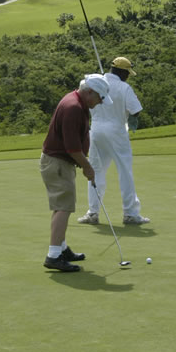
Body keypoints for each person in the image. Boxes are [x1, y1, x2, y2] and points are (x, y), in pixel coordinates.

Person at [40, 74, 112, 272]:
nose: (100, 102)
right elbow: (72, 148)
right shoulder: (73, 108)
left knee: (61, 206)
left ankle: (61, 248)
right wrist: (88, 167)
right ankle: (54, 255)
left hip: (60, 163)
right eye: (100, 97)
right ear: (89, 92)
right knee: (63, 207)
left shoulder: (78, 103)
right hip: (58, 163)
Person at [78, 57, 150, 226]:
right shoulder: (124, 87)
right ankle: (130, 213)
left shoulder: (97, 83)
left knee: (96, 171)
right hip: (117, 131)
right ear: (123, 72)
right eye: (128, 73)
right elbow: (136, 110)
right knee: (124, 171)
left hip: (95, 131)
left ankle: (93, 213)